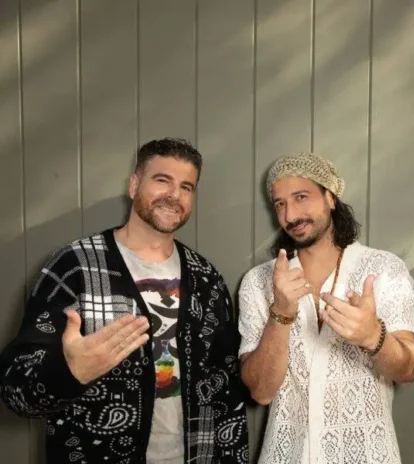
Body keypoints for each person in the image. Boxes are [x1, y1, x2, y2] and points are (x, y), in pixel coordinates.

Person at [0, 138, 249, 463]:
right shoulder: (74, 267)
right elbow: (15, 391)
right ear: (134, 185)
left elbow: (226, 391)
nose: (174, 195)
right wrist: (70, 371)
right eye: (162, 180)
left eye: (186, 187)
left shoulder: (206, 279)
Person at [238, 152, 414, 463]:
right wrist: (281, 313)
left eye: (301, 197)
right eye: (280, 204)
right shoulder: (258, 281)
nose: (291, 215)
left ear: (330, 198)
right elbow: (261, 392)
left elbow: (407, 370)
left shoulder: (384, 269)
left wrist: (373, 336)